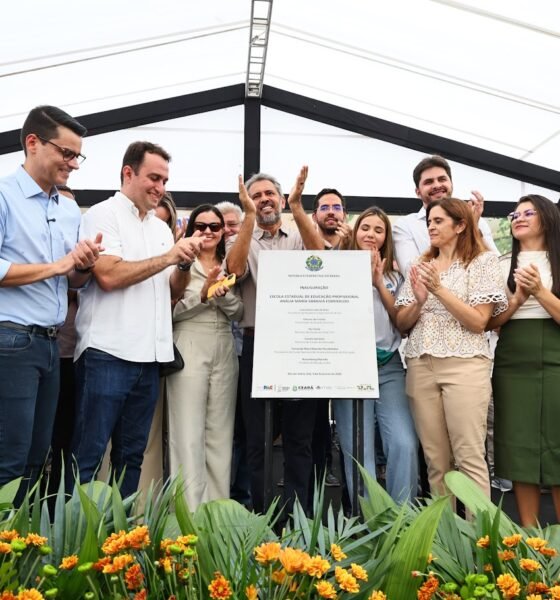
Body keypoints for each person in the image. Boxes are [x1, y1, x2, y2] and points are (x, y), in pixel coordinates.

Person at [70, 141, 203, 499]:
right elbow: (108, 276)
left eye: (165, 180)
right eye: (154, 178)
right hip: (107, 353)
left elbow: (173, 290)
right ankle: (74, 530)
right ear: (128, 173)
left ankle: (121, 531)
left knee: (131, 458)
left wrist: (184, 264)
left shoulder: (160, 229)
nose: (160, 187)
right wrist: (169, 257)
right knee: (88, 456)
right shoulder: (101, 215)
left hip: (149, 359)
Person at [0, 106, 102, 500]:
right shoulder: (4, 195)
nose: (73, 163)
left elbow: (71, 278)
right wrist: (58, 265)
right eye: (67, 152)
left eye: (78, 156)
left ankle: (21, 537)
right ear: (32, 143)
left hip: (50, 344)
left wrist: (83, 266)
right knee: (9, 459)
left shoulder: (67, 208)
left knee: (36, 458)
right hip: (11, 340)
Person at [226, 167, 324, 516]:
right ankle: (262, 517)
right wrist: (247, 218)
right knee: (258, 438)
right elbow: (235, 271)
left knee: (299, 438)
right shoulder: (240, 238)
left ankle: (300, 519)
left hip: (300, 346)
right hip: (257, 345)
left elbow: (321, 258)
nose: (264, 199)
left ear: (281, 199)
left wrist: (297, 207)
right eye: (256, 196)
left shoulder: (299, 235)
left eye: (270, 194)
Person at [395, 198, 507, 497]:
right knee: (435, 461)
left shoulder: (483, 262)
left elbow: (479, 322)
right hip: (420, 364)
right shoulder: (420, 265)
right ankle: (443, 527)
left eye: (438, 221)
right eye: (429, 221)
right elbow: (402, 324)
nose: (431, 226)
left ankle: (479, 528)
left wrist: (438, 289)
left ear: (460, 225)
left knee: (469, 457)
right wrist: (418, 301)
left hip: (465, 366)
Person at [333, 207, 418, 504]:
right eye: (365, 228)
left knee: (404, 443)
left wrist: (379, 281)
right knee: (358, 450)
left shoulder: (395, 275)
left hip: (388, 364)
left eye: (378, 230)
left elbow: (401, 323)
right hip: (350, 367)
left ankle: (403, 516)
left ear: (386, 238)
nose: (371, 234)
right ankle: (368, 518)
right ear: (355, 232)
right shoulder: (339, 267)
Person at [489, 194, 560, 526]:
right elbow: (490, 322)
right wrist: (518, 299)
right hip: (513, 358)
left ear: (547, 218)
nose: (518, 218)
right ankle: (530, 540)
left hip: (556, 351)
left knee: (557, 442)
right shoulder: (501, 263)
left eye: (527, 213)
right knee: (519, 446)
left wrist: (541, 292)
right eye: (514, 214)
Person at [166, 204, 243, 510]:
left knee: (220, 435)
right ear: (190, 229)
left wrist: (221, 297)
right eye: (201, 226)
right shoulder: (179, 261)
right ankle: (186, 514)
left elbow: (240, 312)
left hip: (224, 345)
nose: (208, 231)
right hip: (188, 341)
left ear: (223, 230)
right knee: (187, 433)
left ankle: (217, 514)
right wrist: (202, 296)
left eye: (215, 226)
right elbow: (169, 311)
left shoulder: (231, 263)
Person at [393, 155, 498, 275]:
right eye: (429, 182)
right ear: (418, 192)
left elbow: (496, 263)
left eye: (442, 179)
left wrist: (472, 226)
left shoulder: (475, 220)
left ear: (451, 184)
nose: (437, 185)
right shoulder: (405, 225)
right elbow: (410, 273)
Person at [215, 200, 252, 509]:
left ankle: (241, 497)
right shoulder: (205, 259)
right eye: (221, 225)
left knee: (243, 429)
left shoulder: (247, 257)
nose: (227, 230)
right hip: (215, 356)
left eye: (232, 225)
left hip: (244, 354)